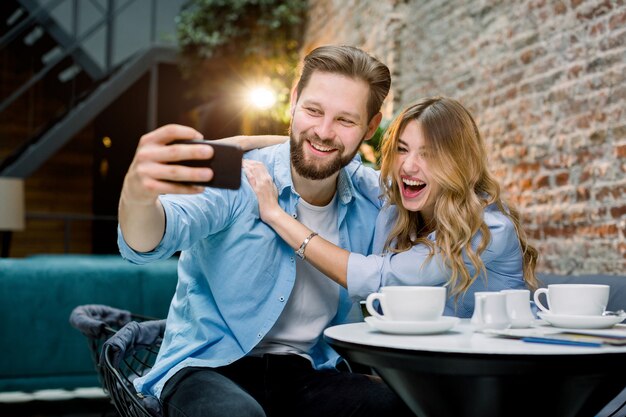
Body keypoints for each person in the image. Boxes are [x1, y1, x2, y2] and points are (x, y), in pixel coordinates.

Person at [117, 45, 413, 417]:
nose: (323, 132)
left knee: (400, 405)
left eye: (345, 121)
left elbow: (448, 195)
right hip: (208, 366)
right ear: (293, 101)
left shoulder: (371, 198)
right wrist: (137, 194)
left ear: (370, 127)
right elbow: (149, 239)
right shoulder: (237, 176)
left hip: (308, 371)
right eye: (313, 110)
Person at [244, 96, 539, 318]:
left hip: (498, 373)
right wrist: (230, 145)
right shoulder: (396, 198)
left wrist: (275, 215)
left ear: (459, 163)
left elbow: (376, 278)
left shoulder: (488, 230)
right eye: (402, 149)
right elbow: (330, 153)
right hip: (429, 367)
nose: (409, 166)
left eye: (429, 154)